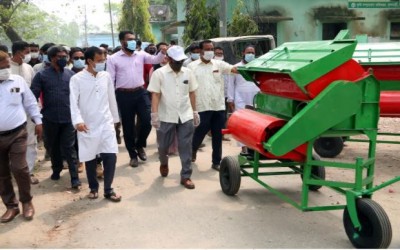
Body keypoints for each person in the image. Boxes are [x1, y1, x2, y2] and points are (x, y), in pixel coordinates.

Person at [106, 31, 167, 168]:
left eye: (134, 39)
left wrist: (162, 52)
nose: (133, 41)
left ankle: (139, 145)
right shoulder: (113, 58)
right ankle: (132, 155)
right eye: (129, 39)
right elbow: (110, 79)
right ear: (122, 42)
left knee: (147, 121)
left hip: (140, 92)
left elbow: (155, 60)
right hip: (123, 94)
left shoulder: (141, 54)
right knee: (128, 127)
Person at [70, 46, 121, 202]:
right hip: (87, 125)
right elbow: (73, 102)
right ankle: (93, 188)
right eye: (99, 60)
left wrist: (115, 120)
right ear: (89, 61)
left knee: (110, 155)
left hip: (106, 123)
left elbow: (111, 98)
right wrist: (78, 121)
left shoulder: (106, 76)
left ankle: (108, 189)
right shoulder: (77, 79)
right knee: (90, 157)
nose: (103, 62)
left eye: (104, 60)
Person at [148, 46, 199, 189]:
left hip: (185, 115)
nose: (179, 63)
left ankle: (186, 176)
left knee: (186, 146)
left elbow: (192, 93)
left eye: (181, 61)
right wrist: (154, 114)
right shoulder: (159, 74)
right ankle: (163, 162)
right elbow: (155, 94)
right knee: (163, 146)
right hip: (165, 116)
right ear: (168, 59)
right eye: (176, 61)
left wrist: (195, 112)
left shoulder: (188, 73)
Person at [0, 51, 42, 223]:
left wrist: (38, 121)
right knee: (1, 174)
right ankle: (11, 206)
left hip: (17, 133)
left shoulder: (17, 81)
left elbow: (30, 102)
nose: (5, 69)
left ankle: (27, 202)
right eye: (2, 67)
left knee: (19, 168)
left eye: (7, 65)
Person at [31, 46, 81, 189]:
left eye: (65, 56)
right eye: (59, 56)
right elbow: (32, 97)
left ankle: (74, 178)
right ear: (51, 58)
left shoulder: (71, 75)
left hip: (68, 118)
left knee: (69, 148)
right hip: (50, 118)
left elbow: (78, 97)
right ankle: (56, 169)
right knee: (52, 147)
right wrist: (36, 117)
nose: (63, 59)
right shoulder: (42, 76)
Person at [188, 39, 237, 171]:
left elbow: (233, 69)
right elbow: (188, 87)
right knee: (201, 131)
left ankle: (216, 161)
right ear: (200, 51)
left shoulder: (219, 65)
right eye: (207, 49)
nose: (210, 52)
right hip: (201, 106)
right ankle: (193, 149)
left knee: (217, 135)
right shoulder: (192, 67)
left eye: (211, 49)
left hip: (218, 106)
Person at [10, 41, 39, 185]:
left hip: (27, 111)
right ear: (17, 52)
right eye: (27, 52)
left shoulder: (29, 68)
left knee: (30, 141)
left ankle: (29, 171)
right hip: (10, 113)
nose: (29, 55)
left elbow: (33, 91)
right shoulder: (5, 68)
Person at [227, 45, 260, 154]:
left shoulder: (258, 66)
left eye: (253, 52)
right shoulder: (236, 67)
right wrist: (230, 99)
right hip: (240, 97)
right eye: (248, 52)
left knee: (255, 123)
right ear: (243, 53)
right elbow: (230, 84)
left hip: (255, 96)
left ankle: (254, 147)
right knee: (242, 123)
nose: (251, 54)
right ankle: (243, 147)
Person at [214, 46, 231, 142]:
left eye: (220, 53)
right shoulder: (211, 65)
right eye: (217, 54)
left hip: (224, 94)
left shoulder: (226, 65)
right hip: (214, 94)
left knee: (223, 115)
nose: (219, 55)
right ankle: (212, 131)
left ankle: (222, 134)